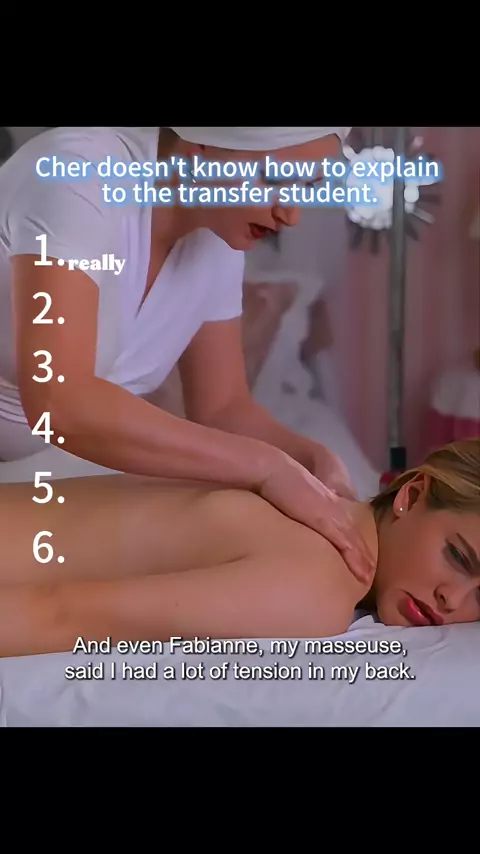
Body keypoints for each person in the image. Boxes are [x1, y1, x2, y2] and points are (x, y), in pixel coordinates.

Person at [0, 124, 373, 579]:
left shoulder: (216, 238)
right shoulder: (78, 177)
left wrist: (310, 458)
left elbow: (223, 408)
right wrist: (266, 467)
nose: (292, 214)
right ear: (199, 151)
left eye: (307, 189)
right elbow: (61, 401)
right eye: (278, 180)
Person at [0, 438, 478, 659]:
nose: (452, 600)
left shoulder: (308, 498)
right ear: (411, 496)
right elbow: (61, 614)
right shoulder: (320, 586)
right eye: (458, 557)